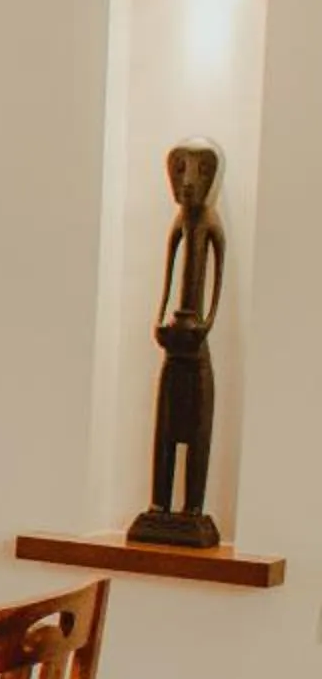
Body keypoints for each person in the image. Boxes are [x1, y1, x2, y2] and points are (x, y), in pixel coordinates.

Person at [128, 139, 226, 549]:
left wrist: (206, 322)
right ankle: (160, 503)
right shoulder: (179, 223)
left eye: (195, 171)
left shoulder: (211, 222)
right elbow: (167, 279)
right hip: (175, 345)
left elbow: (218, 279)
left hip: (195, 347)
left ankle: (191, 509)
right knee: (165, 432)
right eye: (180, 170)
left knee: (196, 434)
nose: (186, 182)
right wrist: (159, 318)